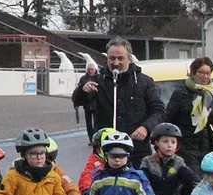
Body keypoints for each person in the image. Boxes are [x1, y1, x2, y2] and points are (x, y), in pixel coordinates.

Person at [71, 37, 165, 168]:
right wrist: (82, 90)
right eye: (112, 58)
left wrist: (146, 127)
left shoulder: (145, 82)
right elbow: (77, 101)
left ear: (129, 59)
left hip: (136, 151)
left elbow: (158, 110)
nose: (116, 62)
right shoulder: (97, 81)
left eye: (120, 58)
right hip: (106, 152)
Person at [165, 56, 213, 175]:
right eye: (201, 73)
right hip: (185, 146)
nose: (205, 76)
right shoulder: (181, 93)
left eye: (208, 73)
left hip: (206, 145)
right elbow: (168, 117)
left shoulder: (212, 94)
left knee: (208, 178)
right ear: (193, 73)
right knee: (194, 178)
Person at [75, 62, 100, 139]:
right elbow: (78, 90)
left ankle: (96, 137)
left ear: (95, 69)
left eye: (91, 69)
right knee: (88, 123)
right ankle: (90, 138)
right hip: (87, 104)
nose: (90, 71)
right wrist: (77, 103)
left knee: (97, 122)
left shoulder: (99, 78)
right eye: (88, 69)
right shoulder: (83, 78)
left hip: (97, 104)